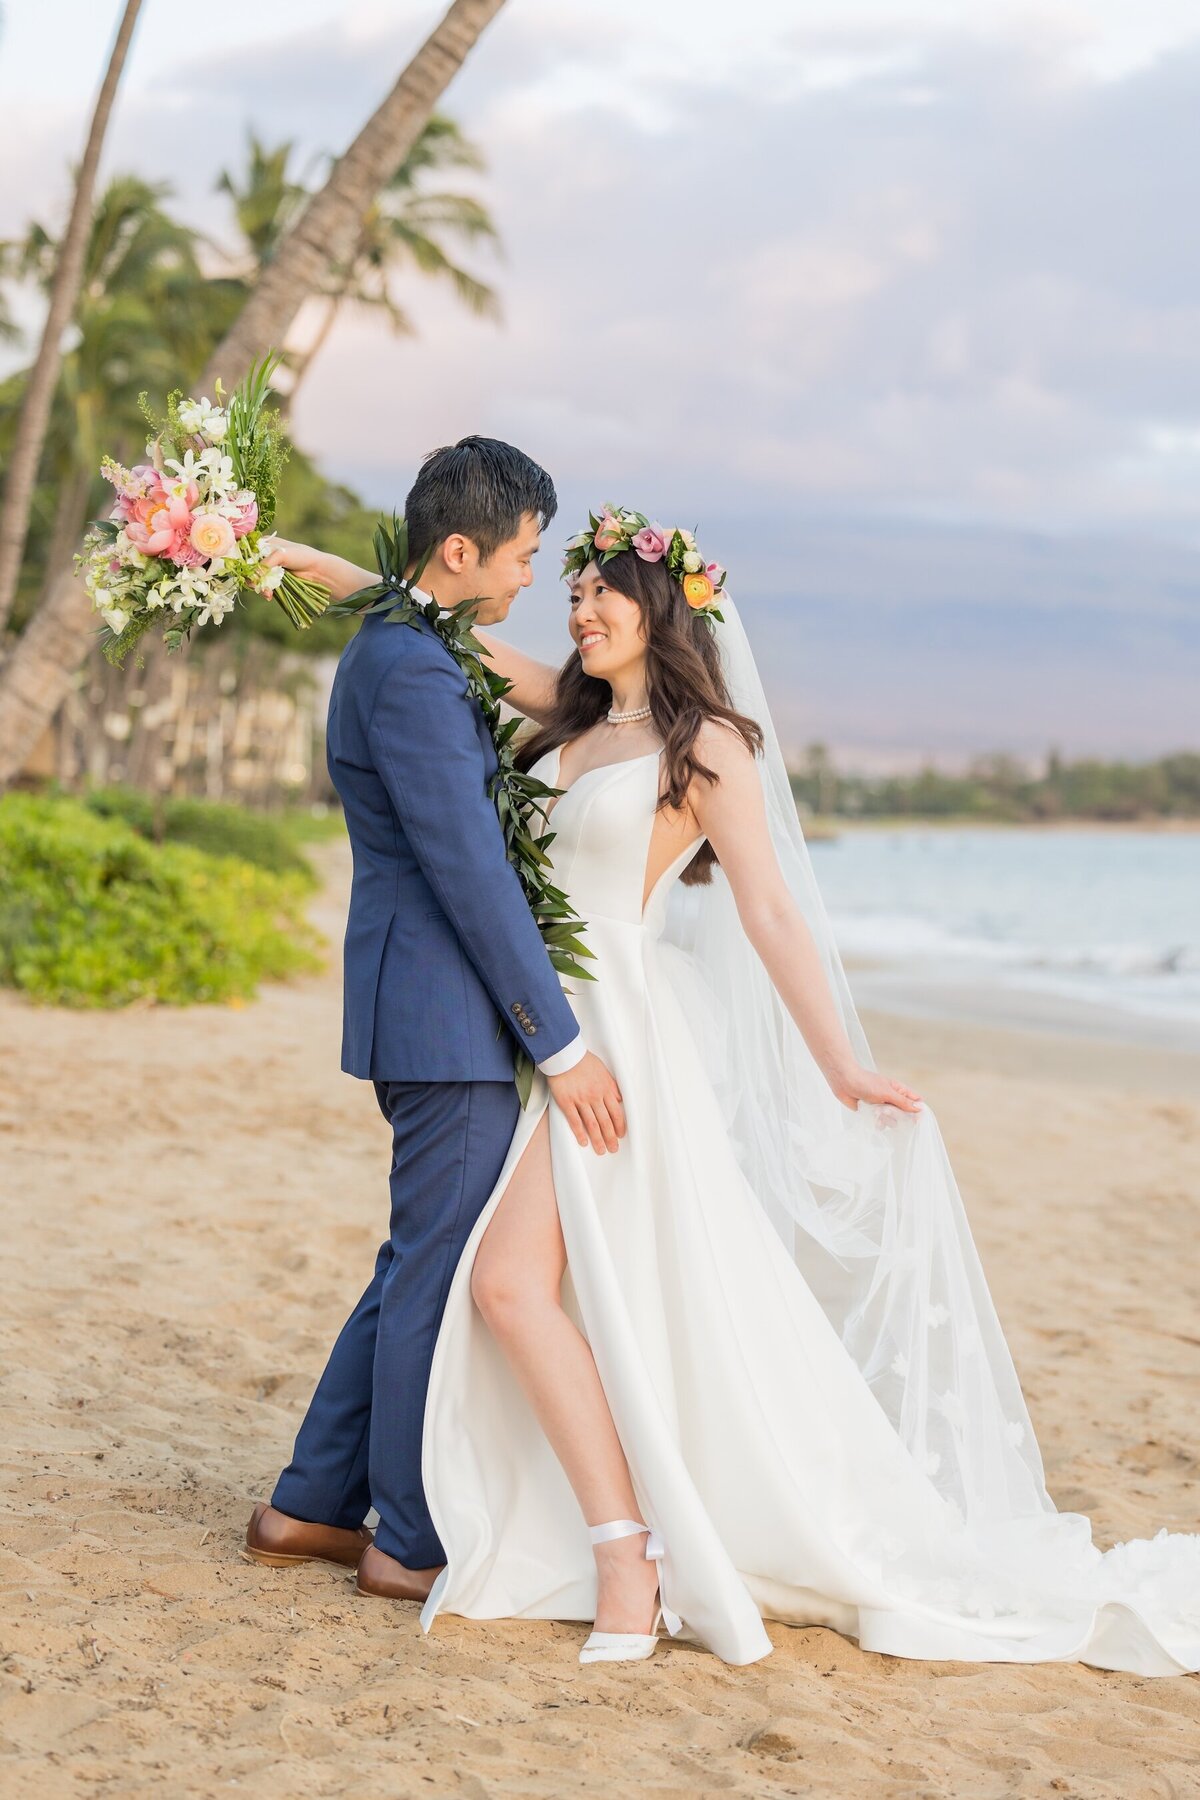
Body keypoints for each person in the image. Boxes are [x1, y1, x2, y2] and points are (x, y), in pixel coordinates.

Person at [242, 441, 625, 1602]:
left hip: (429, 1009)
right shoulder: (410, 671)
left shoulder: (410, 641)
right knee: (436, 1276)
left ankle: (310, 1504)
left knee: (415, 1263)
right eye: (520, 557)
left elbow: (451, 633)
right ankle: (405, 1538)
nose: (527, 583)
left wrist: (326, 566)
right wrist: (560, 1041)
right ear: (461, 550)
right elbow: (469, 870)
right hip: (445, 1016)